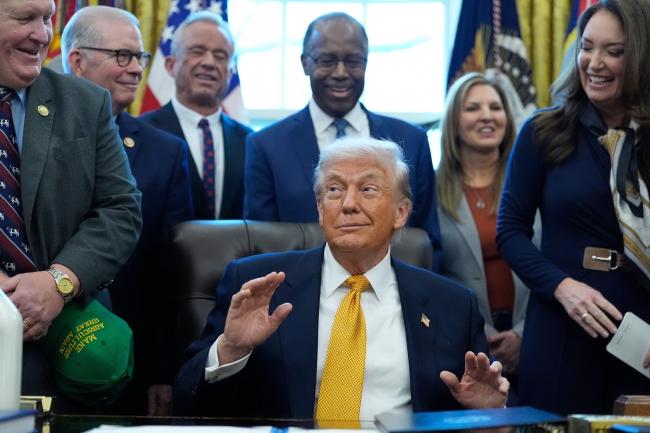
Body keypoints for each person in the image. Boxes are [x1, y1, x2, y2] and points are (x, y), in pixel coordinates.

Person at [175, 137, 508, 420]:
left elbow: (482, 401)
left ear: (401, 212)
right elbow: (184, 401)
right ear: (321, 209)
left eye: (368, 189)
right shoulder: (257, 287)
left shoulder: (453, 306)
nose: (349, 204)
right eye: (334, 190)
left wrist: (489, 415)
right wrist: (230, 350)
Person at [497, 0, 650, 415]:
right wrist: (561, 287)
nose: (594, 63)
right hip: (561, 324)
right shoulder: (542, 131)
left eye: (613, 52)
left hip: (641, 334)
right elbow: (510, 231)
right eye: (587, 47)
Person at [0, 0, 142, 404]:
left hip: (67, 349)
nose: (43, 34)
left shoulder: (86, 102)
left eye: (47, 19)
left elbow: (121, 209)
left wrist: (57, 282)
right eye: (26, 18)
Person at [61, 6, 195, 415]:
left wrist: (162, 371)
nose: (136, 69)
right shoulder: (26, 134)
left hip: (131, 366)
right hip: (38, 351)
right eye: (122, 56)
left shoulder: (165, 152)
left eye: (140, 57)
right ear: (77, 61)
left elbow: (171, 275)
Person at [243, 12, 442, 271]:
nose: (341, 72)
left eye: (353, 61)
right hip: (299, 290)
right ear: (305, 63)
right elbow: (260, 245)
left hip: (392, 290)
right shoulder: (266, 146)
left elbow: (427, 243)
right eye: (327, 60)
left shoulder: (411, 142)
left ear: (366, 63)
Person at [437, 72, 539, 385]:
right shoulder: (431, 191)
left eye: (496, 107)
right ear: (453, 121)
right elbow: (432, 273)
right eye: (473, 108)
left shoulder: (532, 182)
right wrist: (483, 334)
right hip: (463, 342)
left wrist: (522, 334)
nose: (487, 116)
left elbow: (555, 259)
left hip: (535, 335)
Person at [140, 11, 252, 220]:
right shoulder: (141, 134)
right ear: (170, 65)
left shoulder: (250, 141)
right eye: (197, 51)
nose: (209, 62)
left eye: (220, 55)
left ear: (230, 73)